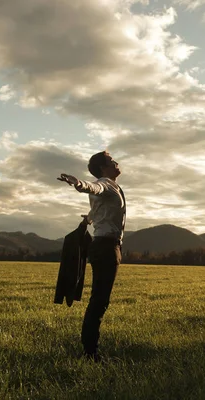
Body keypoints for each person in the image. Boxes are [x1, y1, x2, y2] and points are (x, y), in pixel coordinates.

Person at [57, 151, 126, 362]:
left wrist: (88, 218)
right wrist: (78, 182)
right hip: (106, 247)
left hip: (105, 245)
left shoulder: (109, 187)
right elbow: (93, 187)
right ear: (103, 169)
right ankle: (90, 353)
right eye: (111, 161)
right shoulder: (105, 183)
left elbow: (99, 207)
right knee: (99, 301)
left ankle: (90, 351)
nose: (116, 163)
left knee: (99, 300)